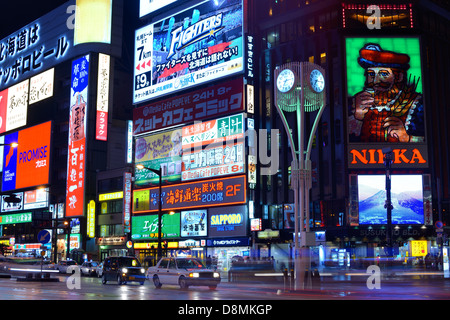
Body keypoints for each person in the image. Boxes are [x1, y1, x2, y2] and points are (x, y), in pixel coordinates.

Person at [348, 43, 424, 143]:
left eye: (383, 74)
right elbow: (340, 140)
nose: (375, 81)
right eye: (371, 74)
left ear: (398, 77)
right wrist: (356, 118)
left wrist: (407, 138)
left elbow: (433, 140)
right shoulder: (355, 103)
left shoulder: (417, 104)